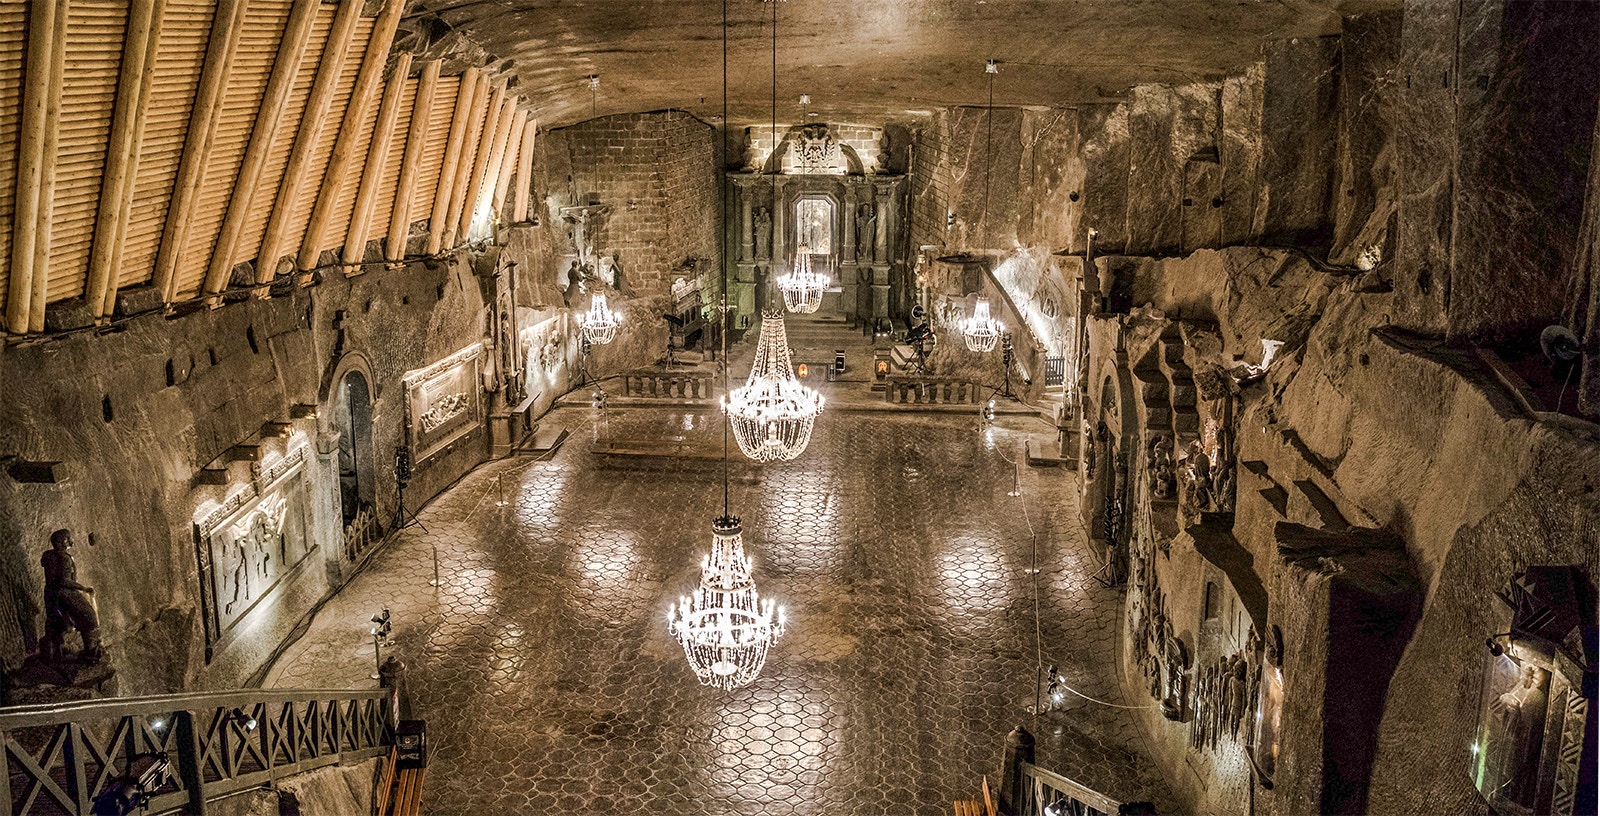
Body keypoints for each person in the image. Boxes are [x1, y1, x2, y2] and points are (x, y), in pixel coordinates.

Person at [41, 529, 101, 663]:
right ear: (62, 542)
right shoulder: (64, 558)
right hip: (64, 593)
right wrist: (84, 589)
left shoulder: (48, 555)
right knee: (89, 617)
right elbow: (64, 581)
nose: (70, 540)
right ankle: (91, 653)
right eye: (68, 538)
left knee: (56, 623)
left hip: (50, 593)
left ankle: (54, 654)